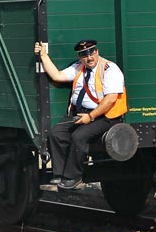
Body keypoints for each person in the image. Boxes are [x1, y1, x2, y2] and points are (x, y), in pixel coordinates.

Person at [34, 38, 127, 190]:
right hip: (80, 114)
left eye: (91, 53)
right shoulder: (79, 67)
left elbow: (110, 100)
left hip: (106, 116)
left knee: (79, 137)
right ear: (80, 57)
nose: (89, 58)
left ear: (96, 52)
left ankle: (74, 177)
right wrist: (43, 56)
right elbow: (57, 76)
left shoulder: (109, 69)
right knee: (55, 134)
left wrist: (90, 117)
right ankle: (60, 174)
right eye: (84, 55)